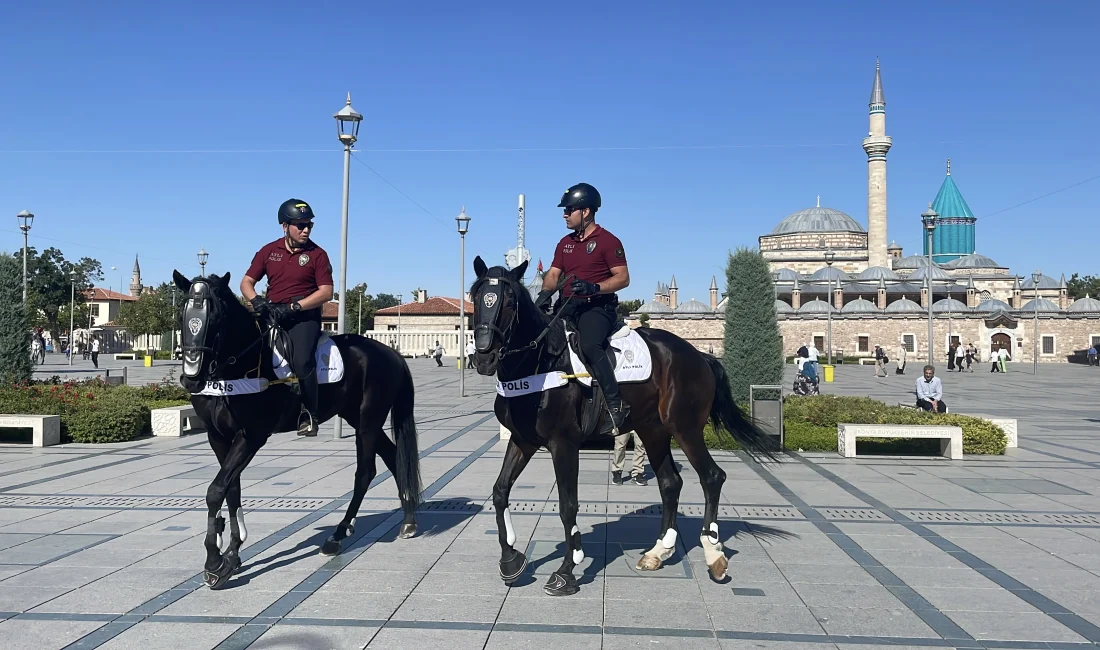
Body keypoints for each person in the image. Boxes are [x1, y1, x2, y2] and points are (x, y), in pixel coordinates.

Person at [536, 182, 631, 432]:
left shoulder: (608, 241)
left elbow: (623, 278)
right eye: (565, 210)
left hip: (597, 308)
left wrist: (594, 287)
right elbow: (553, 274)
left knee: (589, 345)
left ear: (586, 211)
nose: (565, 215)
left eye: (569, 210)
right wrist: (545, 293)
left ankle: (615, 405)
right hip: (568, 306)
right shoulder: (564, 243)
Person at [241, 199, 335, 437]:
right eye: (300, 225)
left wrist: (296, 307)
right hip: (271, 314)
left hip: (303, 318)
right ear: (285, 226)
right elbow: (246, 282)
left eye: (309, 225)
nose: (306, 230)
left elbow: (326, 292)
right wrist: (256, 300)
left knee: (302, 360)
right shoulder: (268, 251)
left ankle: (309, 414)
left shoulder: (318, 254)